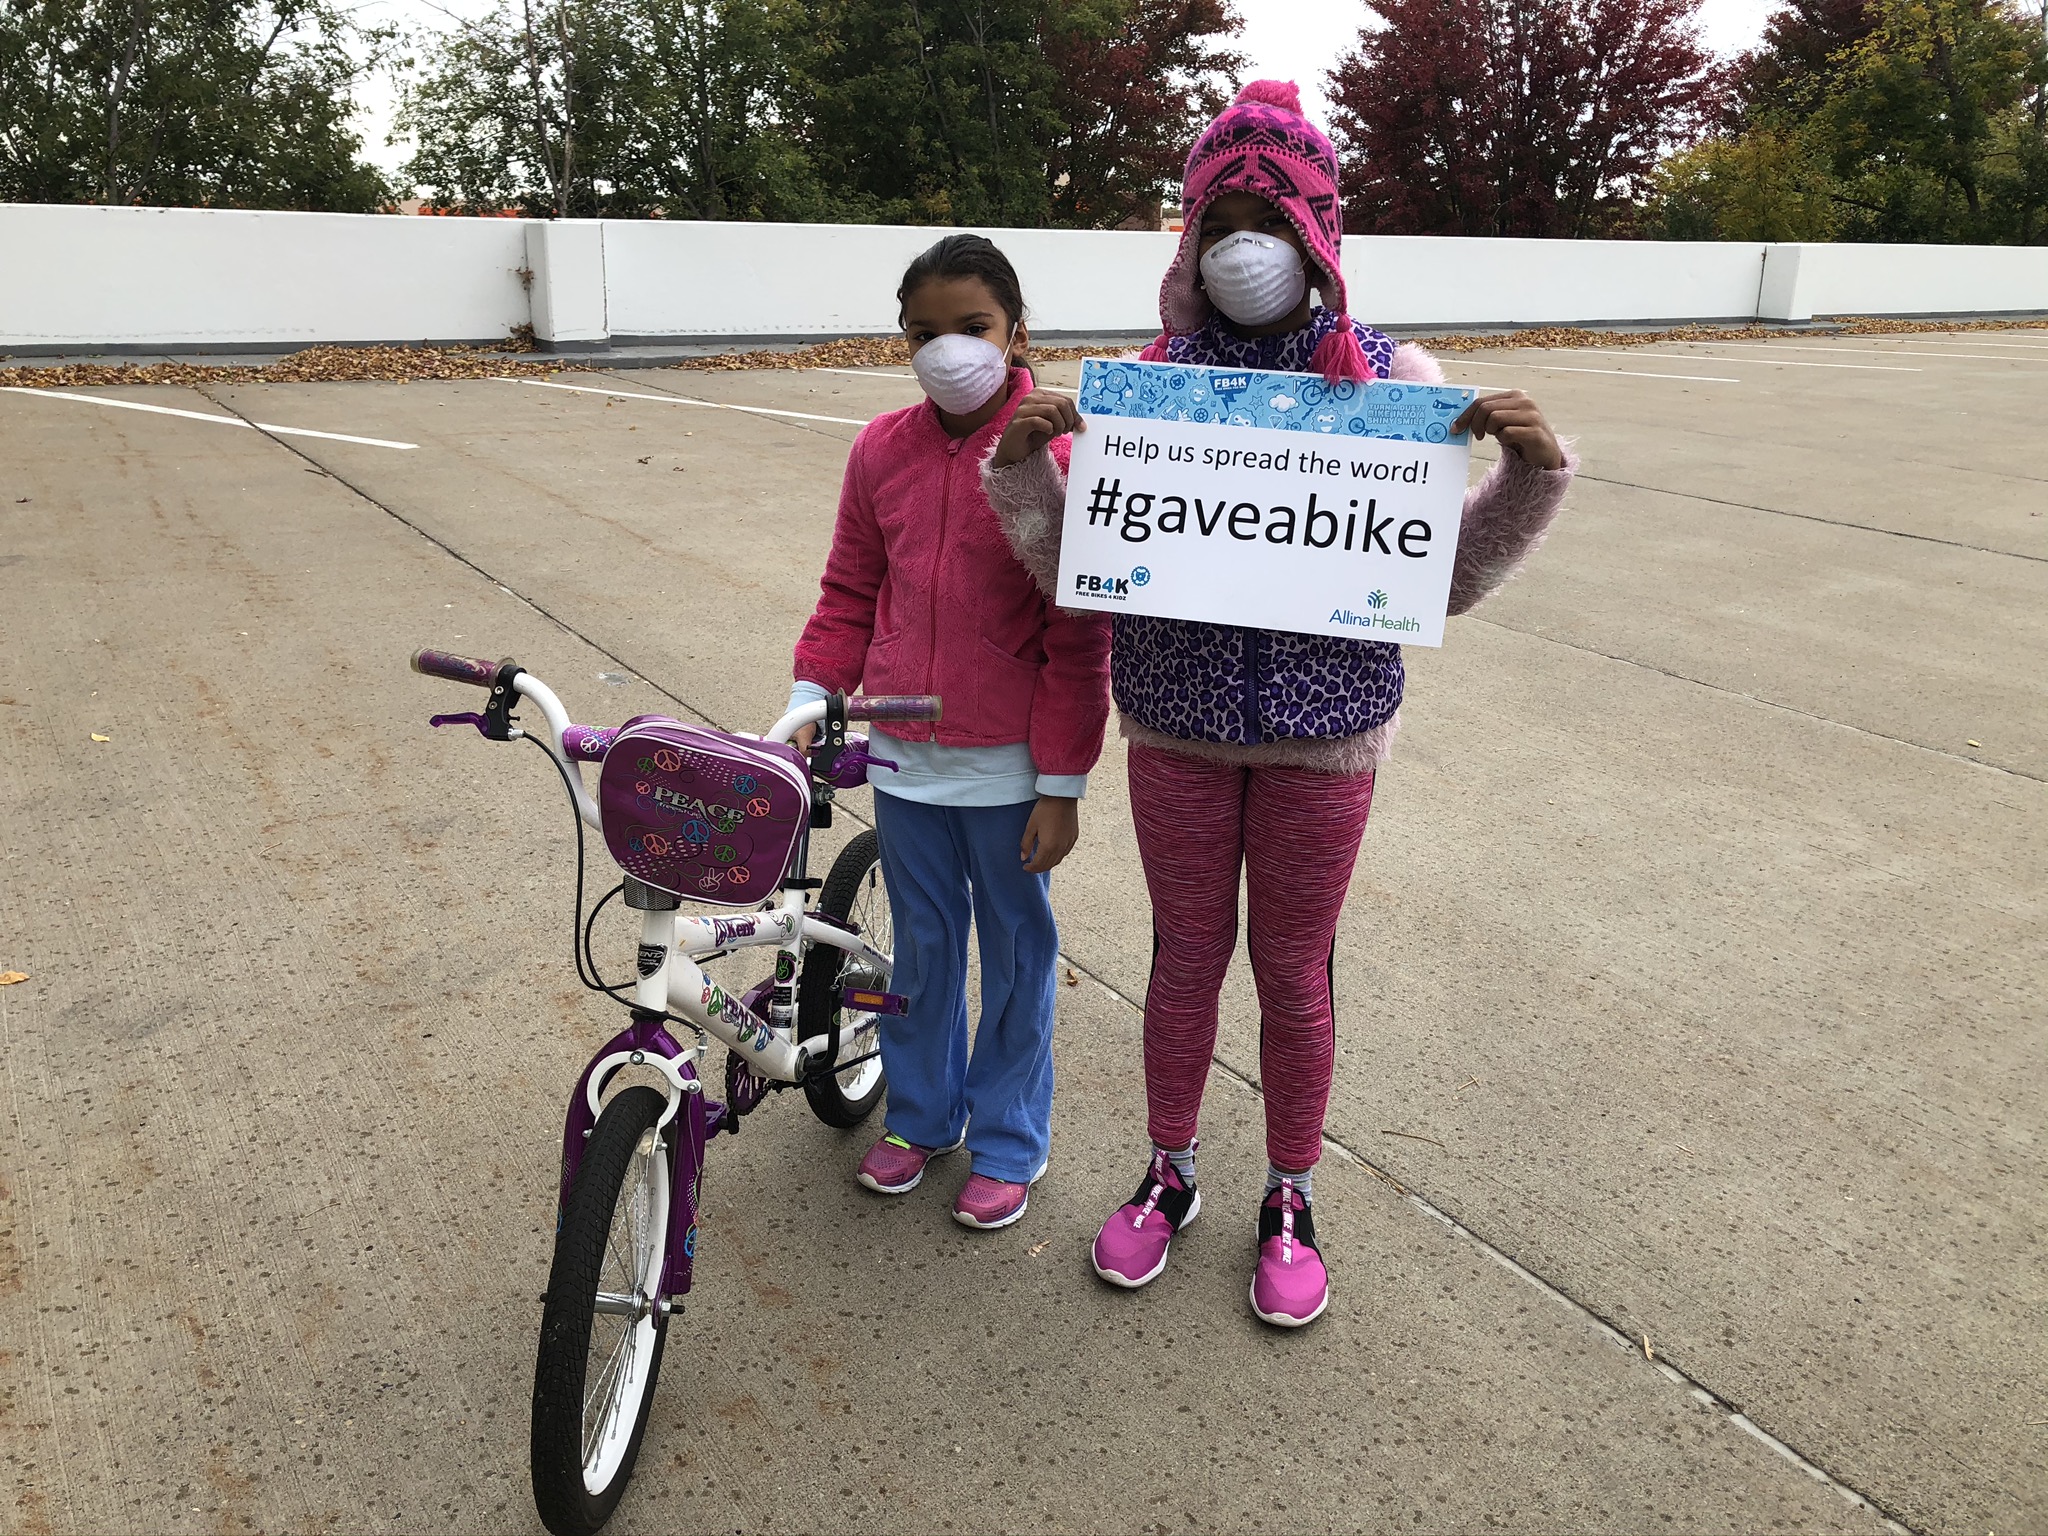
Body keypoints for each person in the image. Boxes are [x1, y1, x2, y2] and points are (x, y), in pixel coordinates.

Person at [981, 81, 1578, 1323]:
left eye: (1267, 214)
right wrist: (1021, 465)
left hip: (1327, 743)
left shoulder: (1388, 384)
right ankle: (1170, 1169)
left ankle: (1289, 1192)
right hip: (1178, 731)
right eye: (1218, 217)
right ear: (1188, 235)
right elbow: (1075, 569)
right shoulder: (1148, 386)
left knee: (1292, 973)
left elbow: (1446, 581)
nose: (1240, 243)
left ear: (1317, 230)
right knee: (1184, 958)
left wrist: (1531, 471)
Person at [790, 233, 1111, 1231]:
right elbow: (848, 589)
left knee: (1016, 954)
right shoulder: (878, 448)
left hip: (1011, 769)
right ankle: (920, 1118)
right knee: (922, 951)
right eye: (922, 333)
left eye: (970, 328)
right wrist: (812, 698)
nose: (946, 350)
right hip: (902, 758)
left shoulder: (1061, 450)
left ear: (1017, 331)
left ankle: (1009, 1139)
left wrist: (1061, 783)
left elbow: (1078, 629)